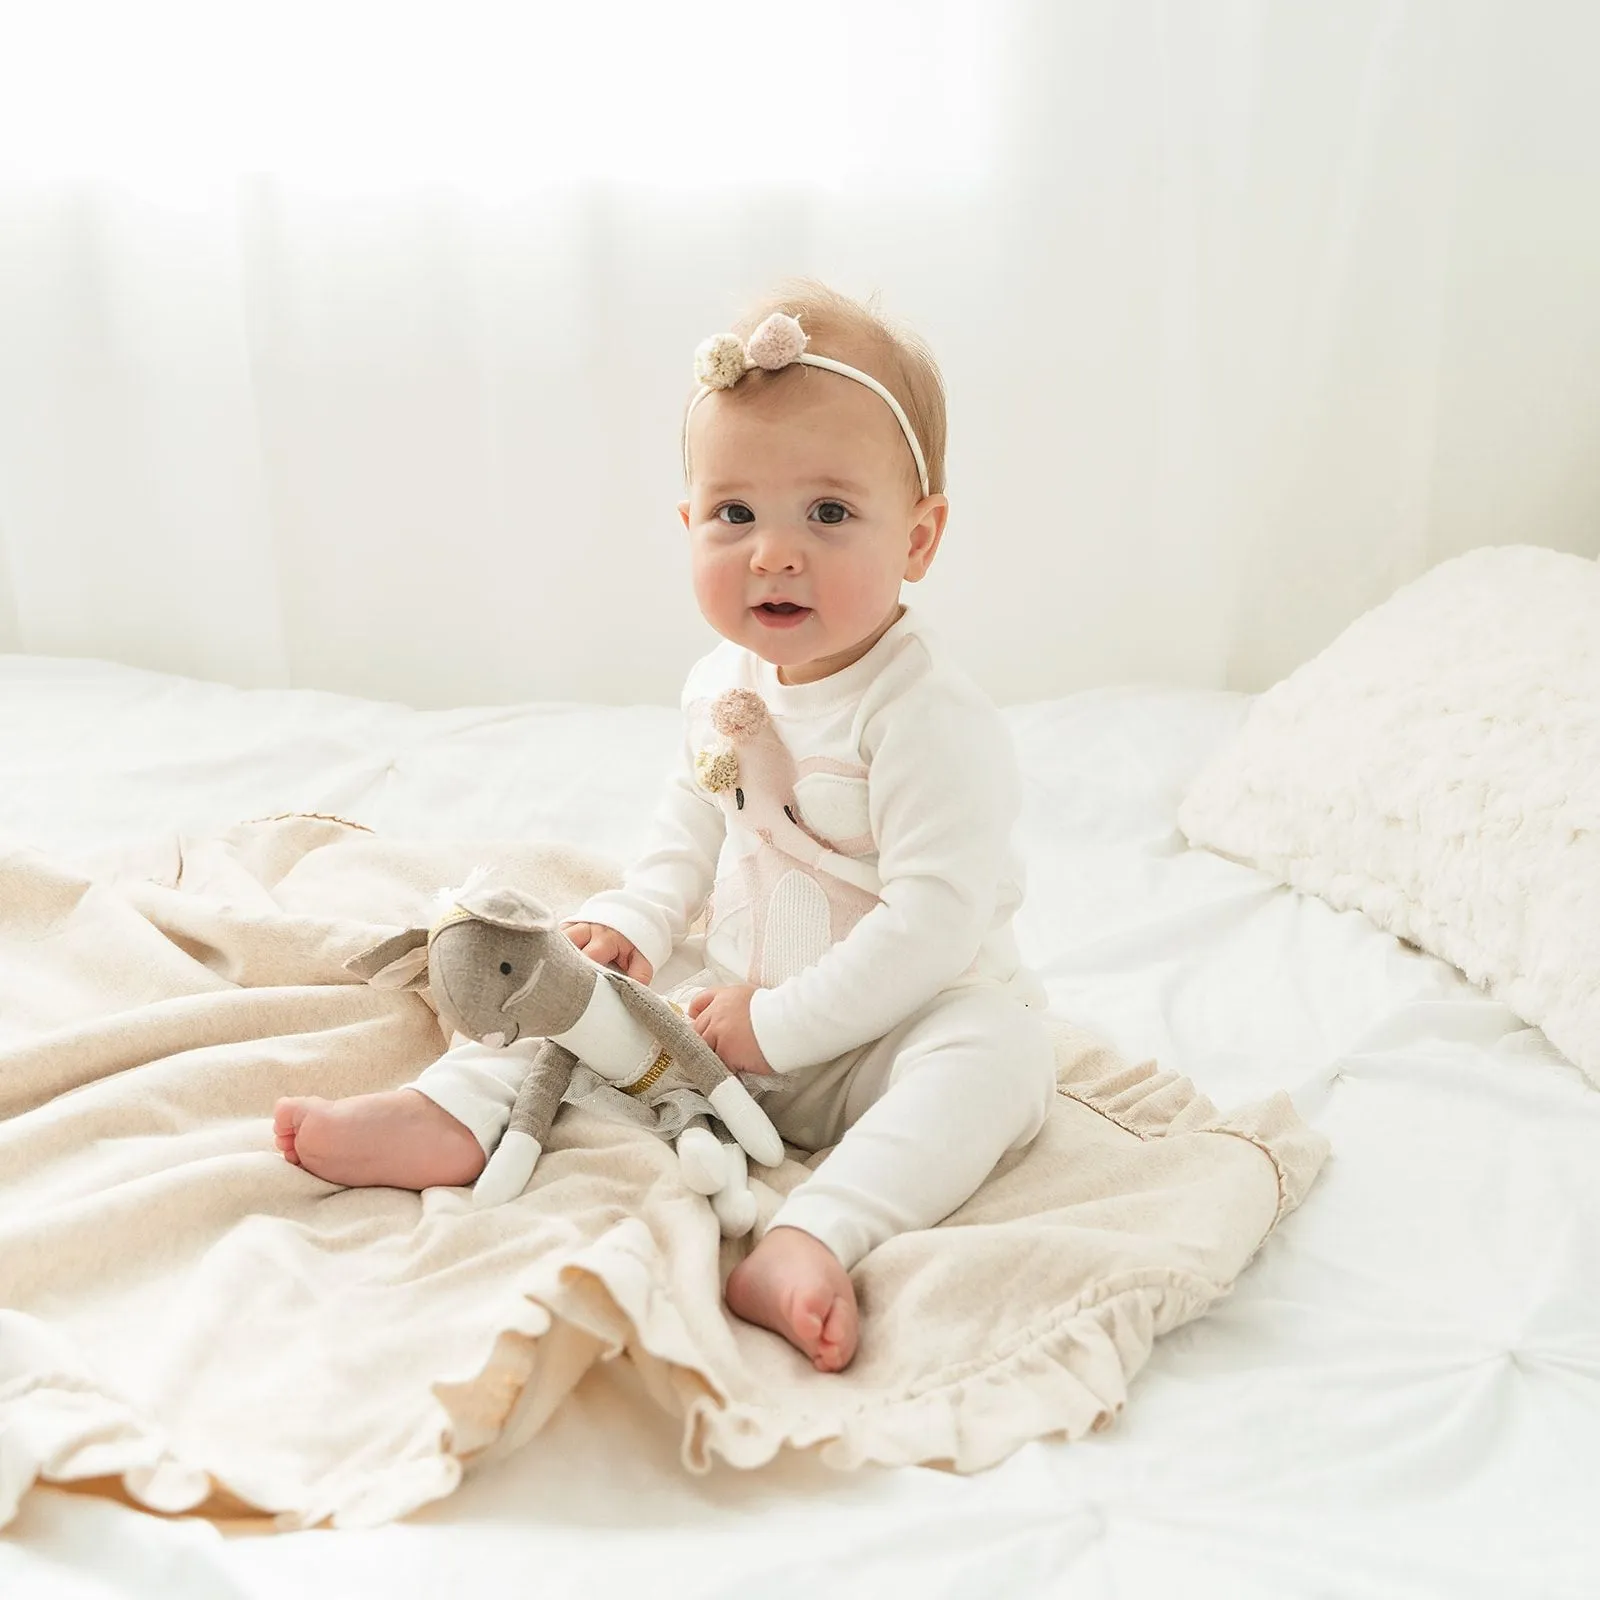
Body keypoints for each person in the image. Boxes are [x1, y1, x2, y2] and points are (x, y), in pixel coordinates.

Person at [275, 281, 1056, 1373]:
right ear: (690, 523)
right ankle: (451, 1114)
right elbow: (695, 809)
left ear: (918, 537)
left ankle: (809, 1235)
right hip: (734, 1011)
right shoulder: (721, 679)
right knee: (580, 995)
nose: (774, 553)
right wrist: (641, 914)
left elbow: (934, 921)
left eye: (828, 514)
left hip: (891, 1028)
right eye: (736, 514)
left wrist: (781, 1027)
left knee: (1003, 1062)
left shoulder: (924, 714)